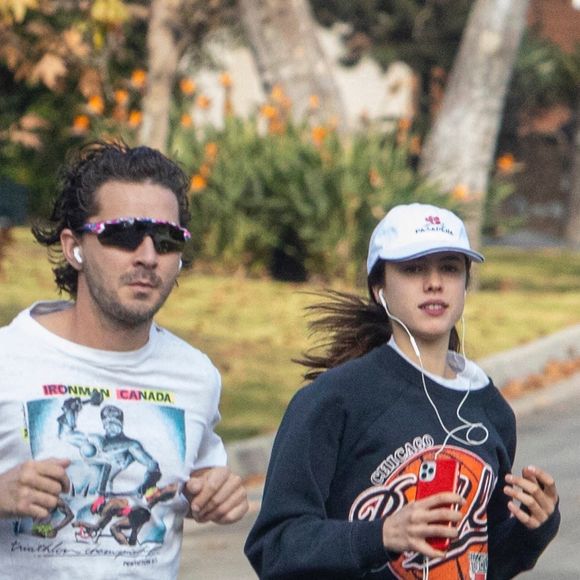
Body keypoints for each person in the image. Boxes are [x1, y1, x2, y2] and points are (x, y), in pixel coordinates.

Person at [245, 203, 560, 579]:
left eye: (450, 267)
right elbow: (274, 548)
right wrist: (382, 534)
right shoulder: (334, 400)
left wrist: (535, 527)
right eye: (413, 269)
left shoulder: (489, 409)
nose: (434, 282)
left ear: (465, 284)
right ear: (379, 288)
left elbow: (482, 561)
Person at [0, 140, 248, 578]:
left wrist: (215, 492)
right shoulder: (10, 357)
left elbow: (199, 481)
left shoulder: (194, 376)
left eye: (167, 239)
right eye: (124, 234)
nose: (148, 256)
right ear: (74, 246)